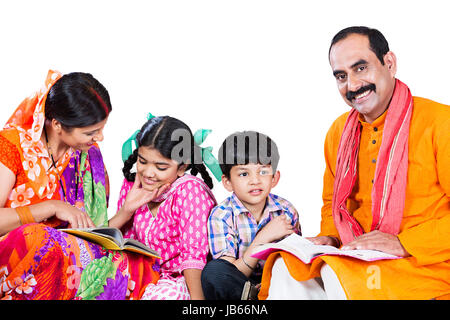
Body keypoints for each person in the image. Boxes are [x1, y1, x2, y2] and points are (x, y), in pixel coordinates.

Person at [259, 26, 450, 300]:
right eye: (341, 76)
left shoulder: (440, 124)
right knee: (284, 267)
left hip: (426, 264)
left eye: (361, 68)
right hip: (358, 254)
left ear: (389, 63)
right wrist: (330, 237)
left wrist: (402, 243)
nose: (352, 85)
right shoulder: (339, 132)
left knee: (338, 275)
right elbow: (332, 203)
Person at [0, 70, 159, 300]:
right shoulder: (12, 145)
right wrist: (51, 207)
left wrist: (126, 210)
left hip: (68, 255)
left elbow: (93, 235)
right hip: (17, 255)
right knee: (39, 239)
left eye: (102, 129)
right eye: (91, 132)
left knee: (138, 263)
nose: (100, 138)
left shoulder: (89, 156)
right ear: (57, 125)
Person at [109, 115, 218, 300]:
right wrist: (126, 210)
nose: (148, 173)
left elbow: (193, 257)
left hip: (180, 281)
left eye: (161, 167)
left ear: (182, 167)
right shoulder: (132, 184)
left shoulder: (190, 191)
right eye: (142, 162)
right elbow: (109, 241)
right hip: (139, 275)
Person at [201, 131, 301, 300]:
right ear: (227, 182)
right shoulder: (221, 216)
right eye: (244, 174)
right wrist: (262, 240)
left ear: (275, 177)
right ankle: (253, 299)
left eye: (263, 172)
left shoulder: (286, 210)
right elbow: (229, 272)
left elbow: (295, 261)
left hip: (276, 281)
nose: (255, 180)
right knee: (214, 272)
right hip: (239, 283)